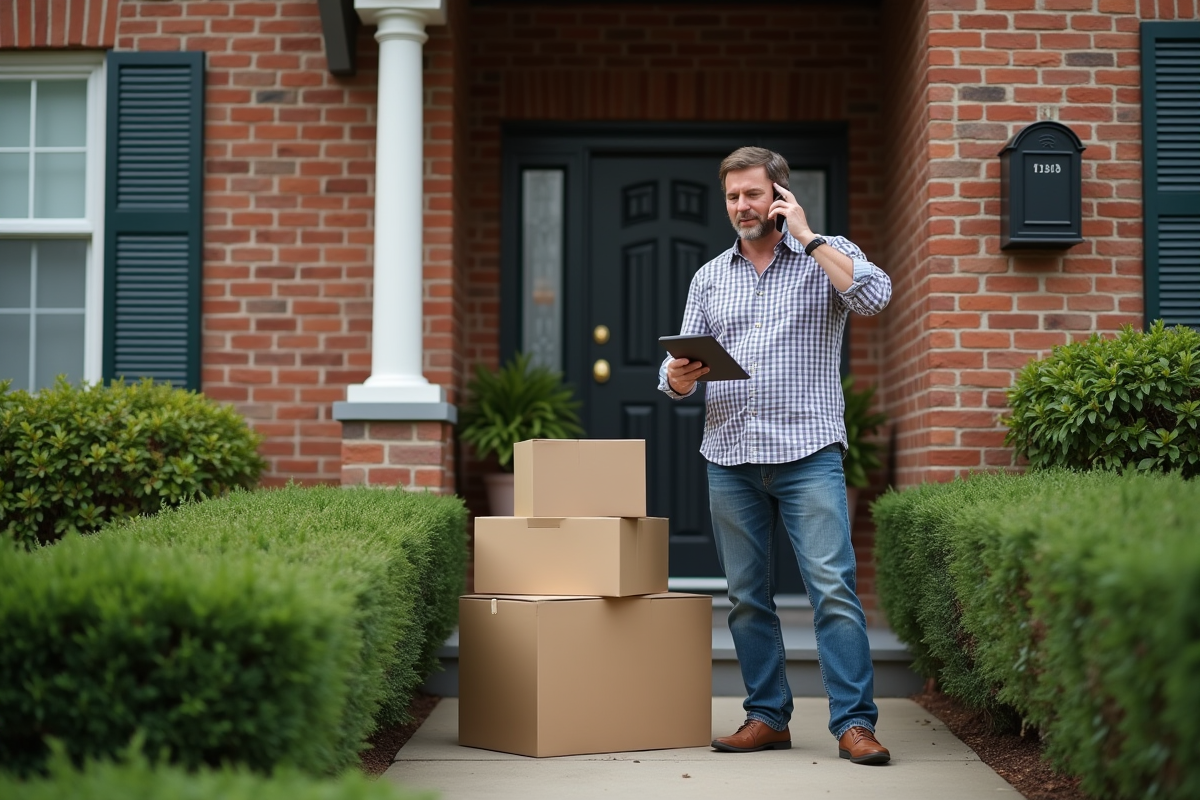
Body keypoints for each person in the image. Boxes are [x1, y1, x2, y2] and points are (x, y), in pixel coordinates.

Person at [658, 146, 892, 765]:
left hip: (807, 452)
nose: (741, 206)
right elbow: (675, 370)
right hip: (729, 455)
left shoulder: (827, 256)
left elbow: (873, 298)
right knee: (745, 597)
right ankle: (767, 715)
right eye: (733, 196)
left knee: (832, 589)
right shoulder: (710, 276)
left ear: (779, 196)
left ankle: (854, 725)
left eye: (753, 194)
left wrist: (810, 238)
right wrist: (680, 375)